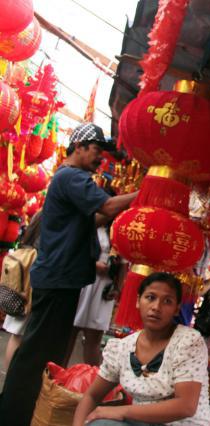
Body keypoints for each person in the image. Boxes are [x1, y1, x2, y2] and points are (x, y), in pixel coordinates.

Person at [0, 123, 138, 426]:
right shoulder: (73, 177)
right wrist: (143, 193)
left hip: (62, 277)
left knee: (45, 352)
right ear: (78, 147)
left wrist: (122, 205)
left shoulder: (70, 178)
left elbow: (100, 214)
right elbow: (106, 205)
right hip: (59, 278)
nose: (100, 158)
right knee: (38, 353)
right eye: (96, 151)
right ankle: (13, 414)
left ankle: (23, 410)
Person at [73, 272, 210, 426]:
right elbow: (92, 396)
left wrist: (121, 411)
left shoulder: (188, 341)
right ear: (138, 301)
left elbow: (186, 406)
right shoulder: (122, 348)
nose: (156, 307)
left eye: (167, 301)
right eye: (150, 297)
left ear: (177, 309)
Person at [65, 225, 120, 367]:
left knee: (94, 338)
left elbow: (124, 263)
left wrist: (118, 287)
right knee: (68, 334)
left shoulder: (118, 230)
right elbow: (72, 250)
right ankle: (56, 378)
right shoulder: (87, 224)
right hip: (81, 281)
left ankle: (91, 382)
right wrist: (93, 265)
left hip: (104, 288)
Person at [1, 210, 42, 370]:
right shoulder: (51, 216)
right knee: (19, 335)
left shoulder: (38, 217)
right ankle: (11, 375)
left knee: (15, 335)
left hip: (17, 291)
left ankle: (8, 374)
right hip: (27, 292)